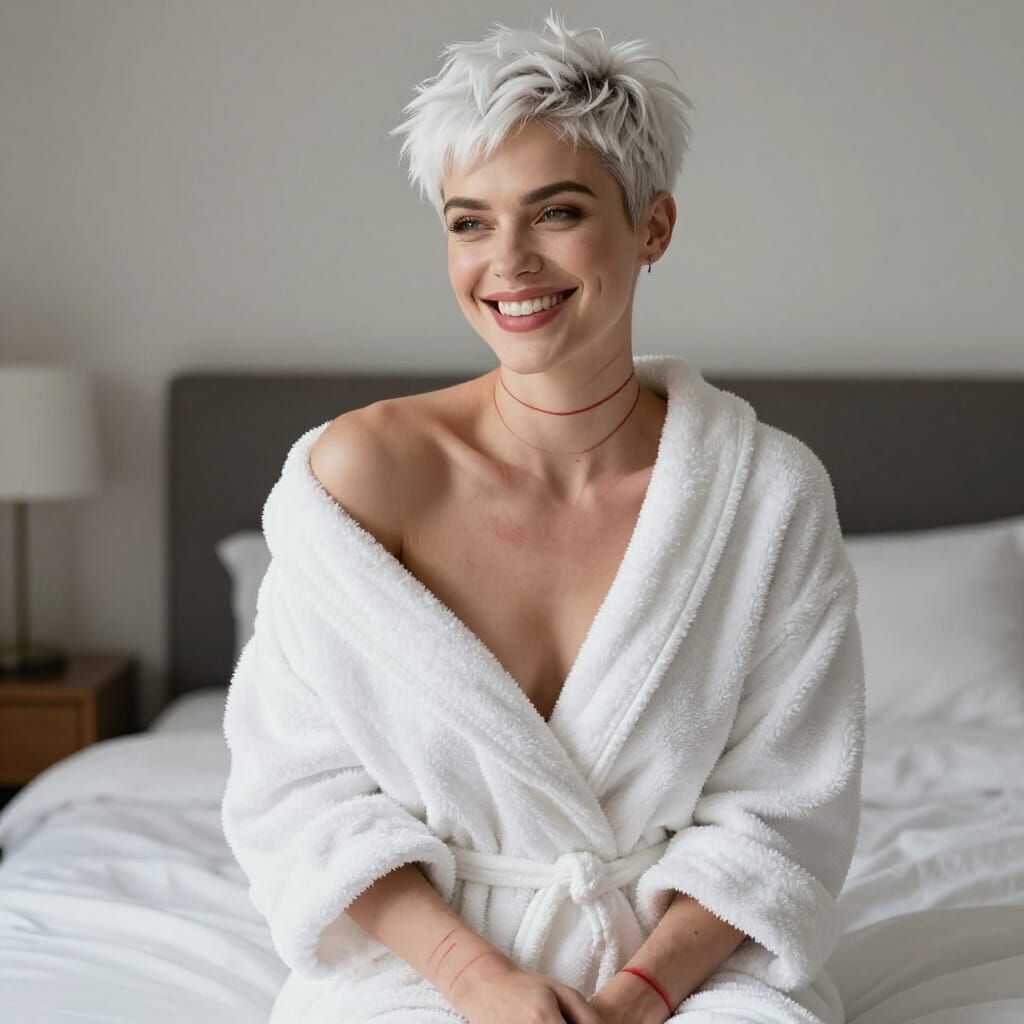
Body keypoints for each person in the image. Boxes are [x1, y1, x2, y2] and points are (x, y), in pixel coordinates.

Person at [220, 10, 865, 1024]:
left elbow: (783, 815)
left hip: (686, 965)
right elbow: (300, 790)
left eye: (556, 212)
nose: (507, 263)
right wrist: (478, 981)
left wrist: (632, 998)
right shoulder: (364, 475)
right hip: (422, 961)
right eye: (469, 220)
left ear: (652, 226)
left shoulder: (765, 495)